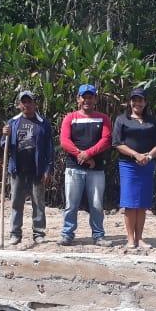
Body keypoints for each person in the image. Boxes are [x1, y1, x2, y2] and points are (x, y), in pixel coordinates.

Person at [60, 83, 114, 247]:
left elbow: (106, 140)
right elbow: (64, 141)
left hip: (96, 169)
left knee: (97, 204)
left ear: (95, 99)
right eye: (84, 97)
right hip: (74, 168)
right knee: (71, 204)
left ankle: (98, 235)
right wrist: (81, 155)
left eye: (90, 97)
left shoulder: (103, 118)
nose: (87, 100)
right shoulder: (70, 118)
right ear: (78, 99)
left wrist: (88, 154)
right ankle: (67, 234)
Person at [112, 88, 156, 249]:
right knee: (129, 202)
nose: (137, 103)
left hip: (147, 165)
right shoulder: (122, 120)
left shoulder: (152, 121)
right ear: (130, 102)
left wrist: (148, 157)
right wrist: (136, 155)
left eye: (140, 100)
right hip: (128, 165)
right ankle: (130, 239)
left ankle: (140, 238)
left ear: (145, 102)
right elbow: (117, 143)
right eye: (134, 100)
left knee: (142, 202)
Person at [1, 90, 53, 245]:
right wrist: (5, 135)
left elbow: (49, 148)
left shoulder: (43, 123)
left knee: (38, 203)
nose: (27, 105)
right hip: (18, 169)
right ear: (19, 105)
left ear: (34, 103)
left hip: (36, 169)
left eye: (29, 101)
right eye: (23, 102)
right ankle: (15, 233)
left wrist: (48, 168)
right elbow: (4, 146)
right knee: (16, 203)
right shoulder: (12, 123)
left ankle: (38, 233)